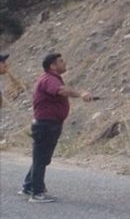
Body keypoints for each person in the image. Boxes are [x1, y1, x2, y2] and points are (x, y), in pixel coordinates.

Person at [22, 53, 93, 203]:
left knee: (42, 157)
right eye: (61, 61)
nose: (64, 62)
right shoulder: (49, 79)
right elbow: (62, 90)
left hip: (48, 124)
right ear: (52, 66)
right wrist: (81, 93)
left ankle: (29, 186)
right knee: (41, 158)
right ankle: (37, 193)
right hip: (46, 125)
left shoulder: (51, 79)